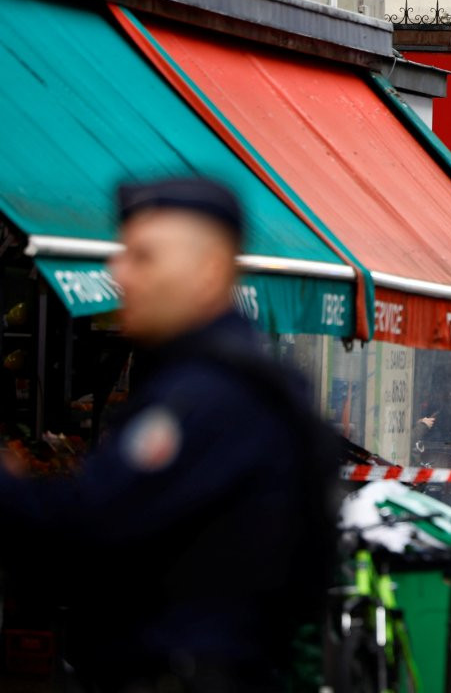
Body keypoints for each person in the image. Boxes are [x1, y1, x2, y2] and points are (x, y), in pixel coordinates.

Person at [0, 178, 338, 691]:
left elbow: (87, 531)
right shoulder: (219, 380)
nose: (120, 273)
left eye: (144, 257)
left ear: (208, 272)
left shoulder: (206, 397)